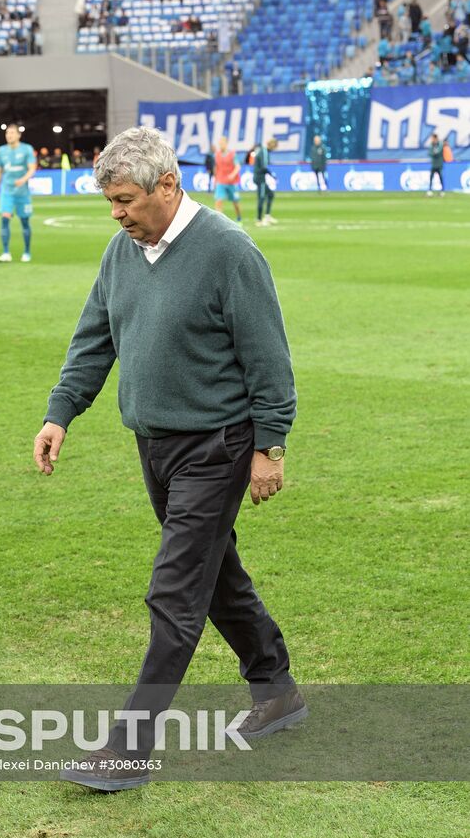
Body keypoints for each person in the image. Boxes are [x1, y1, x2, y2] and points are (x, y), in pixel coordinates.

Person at [33, 126, 303, 792]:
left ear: (167, 187)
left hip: (216, 445)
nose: (117, 213)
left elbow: (269, 360)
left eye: (126, 200)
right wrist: (59, 411)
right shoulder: (121, 251)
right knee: (214, 576)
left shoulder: (227, 252)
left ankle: (128, 748)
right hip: (152, 444)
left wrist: (268, 446)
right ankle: (276, 689)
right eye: (110, 203)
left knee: (176, 589)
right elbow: (94, 335)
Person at [0, 124, 37, 263]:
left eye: (12, 133)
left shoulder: (26, 149)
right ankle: (6, 252)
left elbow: (32, 168)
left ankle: (27, 252)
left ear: (18, 135)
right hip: (7, 191)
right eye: (7, 133)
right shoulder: (1, 151)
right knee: (4, 219)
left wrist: (23, 179)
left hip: (22, 193)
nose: (9, 135)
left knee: (25, 221)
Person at [213, 135, 242, 222]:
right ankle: (219, 221)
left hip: (232, 182)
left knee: (235, 202)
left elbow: (238, 166)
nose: (221, 145)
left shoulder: (232, 154)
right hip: (221, 181)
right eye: (220, 143)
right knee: (218, 201)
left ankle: (239, 218)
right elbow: (216, 168)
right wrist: (215, 180)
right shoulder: (217, 155)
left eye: (222, 143)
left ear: (226, 144)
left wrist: (233, 174)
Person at [252, 138, 278, 226]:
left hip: (259, 177)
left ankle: (267, 216)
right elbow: (263, 167)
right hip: (260, 178)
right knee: (262, 197)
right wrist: (272, 175)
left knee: (270, 194)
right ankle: (259, 220)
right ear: (272, 145)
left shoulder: (263, 151)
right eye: (274, 146)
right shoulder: (264, 152)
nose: (274, 149)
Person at [427, 132, 444, 196]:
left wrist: (434, 152)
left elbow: (437, 152)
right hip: (433, 164)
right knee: (431, 177)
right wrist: (434, 152)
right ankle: (430, 190)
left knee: (440, 177)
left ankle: (442, 191)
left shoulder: (440, 144)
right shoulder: (431, 145)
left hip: (439, 164)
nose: (432, 140)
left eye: (433, 138)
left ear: (436, 138)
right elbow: (430, 153)